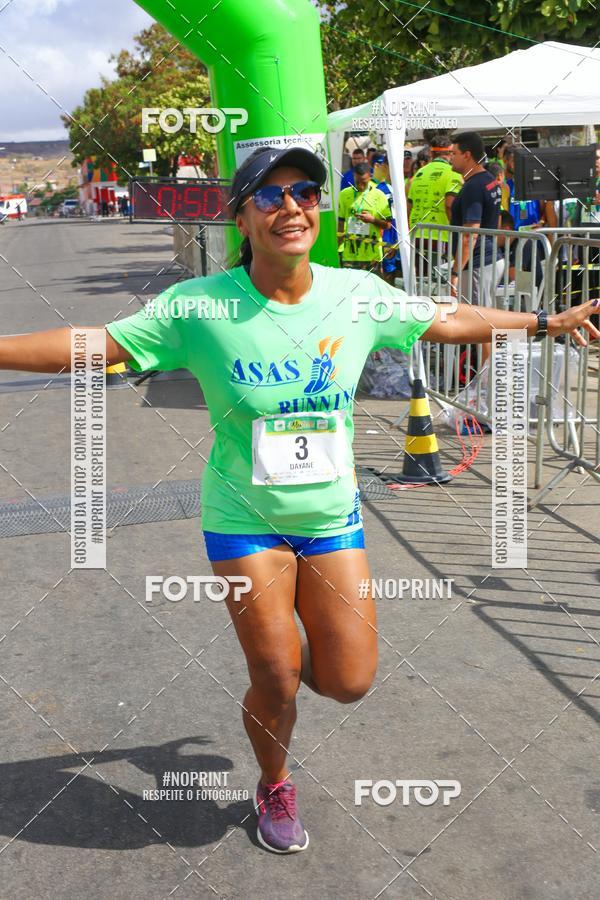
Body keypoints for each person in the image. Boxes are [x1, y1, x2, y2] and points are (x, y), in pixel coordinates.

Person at [1, 146, 598, 856]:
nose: (291, 207)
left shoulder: (357, 294)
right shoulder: (200, 307)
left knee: (348, 680)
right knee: (277, 675)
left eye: (306, 192)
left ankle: (288, 665)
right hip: (244, 522)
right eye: (270, 195)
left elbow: (446, 317)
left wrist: (543, 324)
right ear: (242, 218)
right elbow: (98, 344)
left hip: (331, 519)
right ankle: (274, 778)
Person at [449, 131, 504, 308]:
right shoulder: (489, 179)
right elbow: (497, 220)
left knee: (476, 322)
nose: (451, 158)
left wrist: (455, 272)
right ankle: (516, 335)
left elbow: (469, 235)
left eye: (454, 153)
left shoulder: (474, 186)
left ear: (467, 155)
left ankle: (519, 335)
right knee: (485, 318)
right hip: (489, 258)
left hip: (478, 263)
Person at [407, 135, 463, 267]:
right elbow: (449, 205)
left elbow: (409, 206)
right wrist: (458, 235)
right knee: (441, 282)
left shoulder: (418, 174)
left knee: (420, 282)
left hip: (417, 236)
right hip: (441, 237)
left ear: (431, 154)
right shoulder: (453, 173)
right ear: (450, 153)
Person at [337, 161, 392, 271]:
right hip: (349, 256)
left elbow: (388, 225)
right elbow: (340, 223)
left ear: (370, 177)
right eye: (358, 182)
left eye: (364, 182)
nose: (361, 186)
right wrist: (338, 248)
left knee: (373, 287)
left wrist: (372, 220)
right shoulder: (344, 195)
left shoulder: (379, 196)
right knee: (351, 287)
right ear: (354, 176)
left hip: (372, 256)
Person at [503, 145, 557, 232]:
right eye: (514, 161)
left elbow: (545, 211)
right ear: (507, 162)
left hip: (534, 237)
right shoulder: (506, 187)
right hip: (514, 238)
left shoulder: (536, 185)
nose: (518, 163)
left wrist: (541, 222)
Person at [372, 153, 400, 283]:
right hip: (387, 232)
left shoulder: (404, 184)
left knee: (400, 269)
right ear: (385, 166)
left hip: (402, 230)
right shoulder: (379, 189)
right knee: (387, 268)